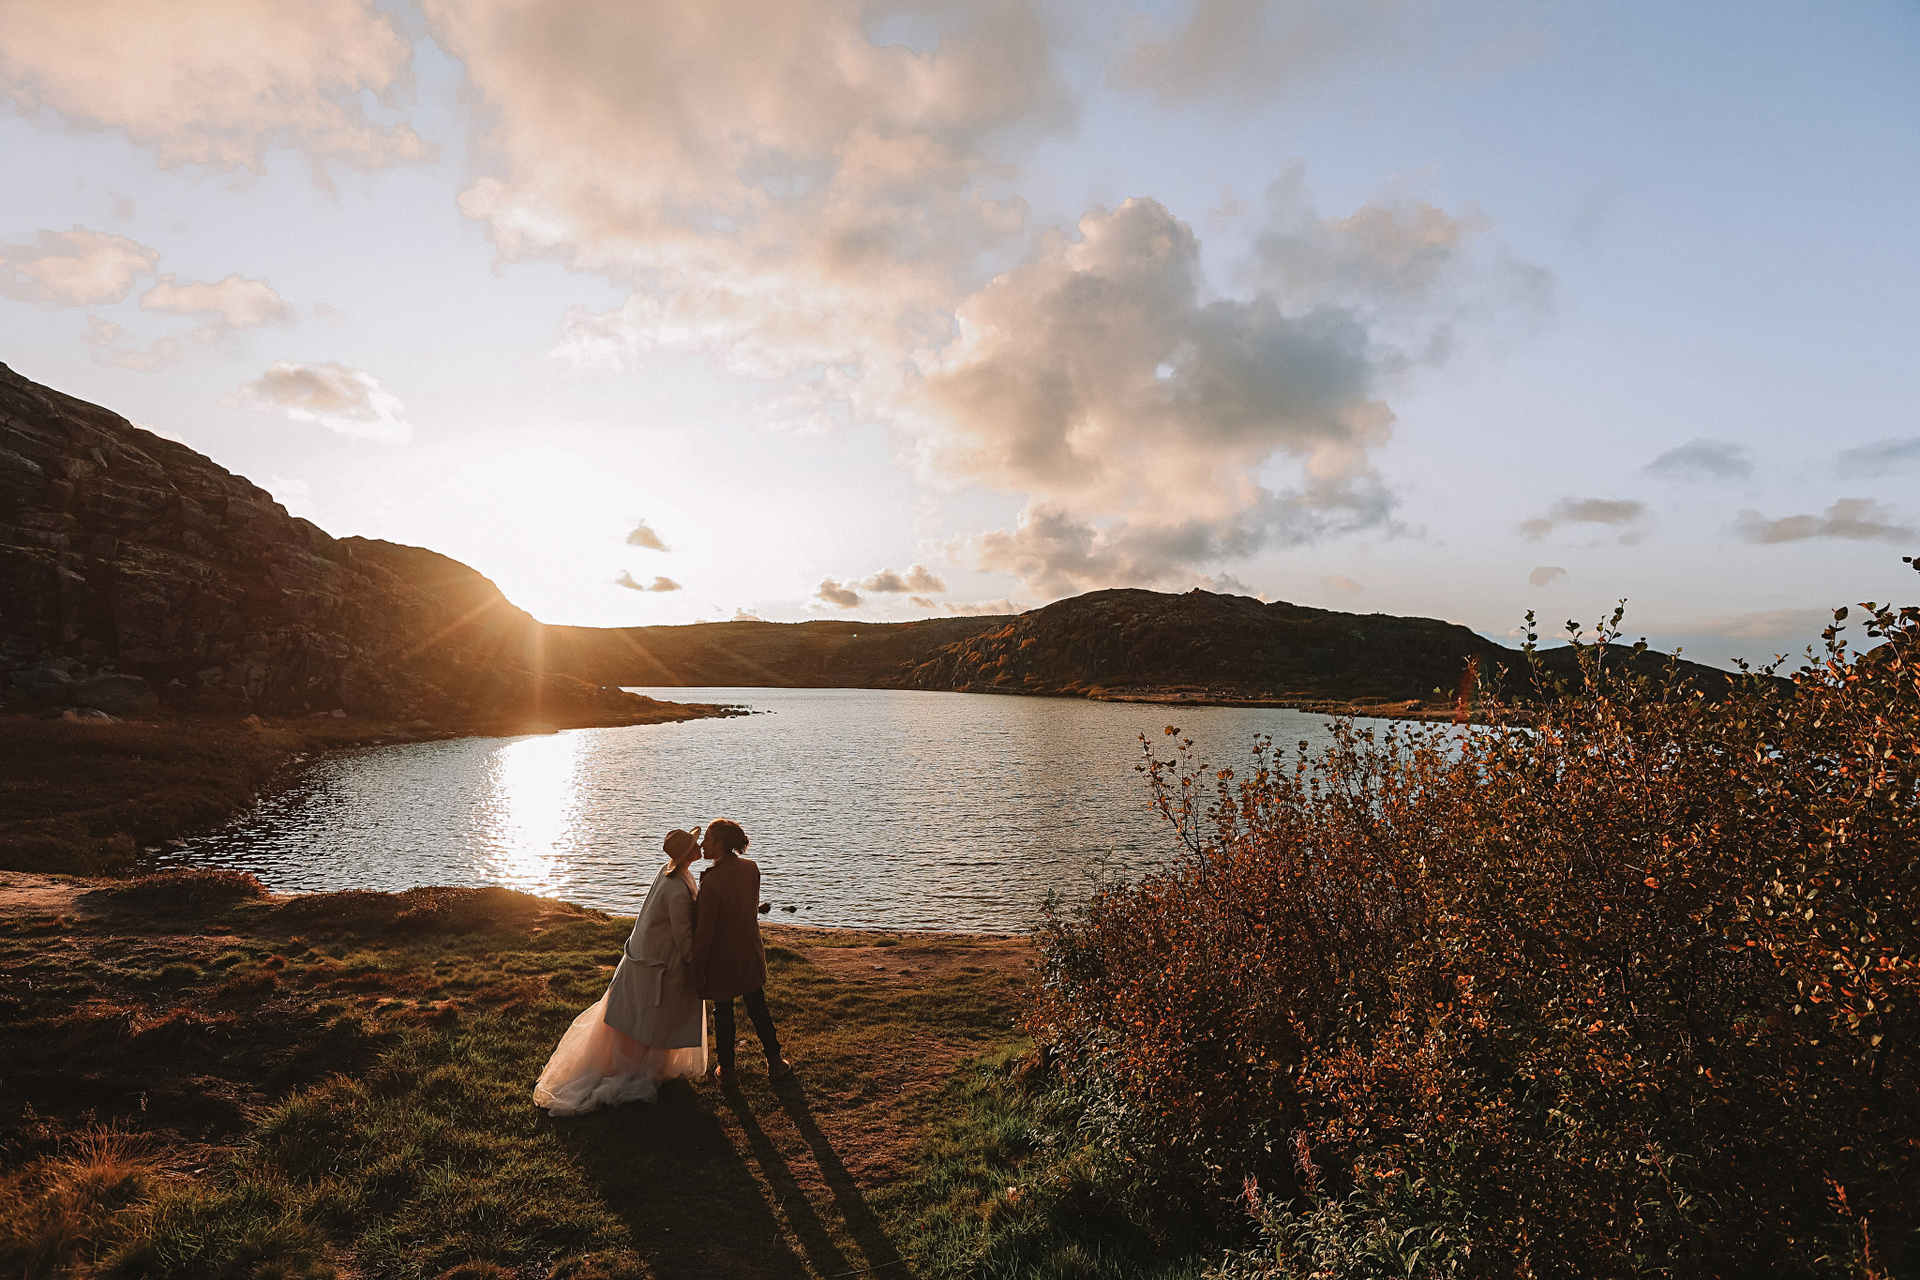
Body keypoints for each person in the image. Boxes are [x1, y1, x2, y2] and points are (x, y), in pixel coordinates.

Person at [533, 828, 708, 1115]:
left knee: (647, 1018)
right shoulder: (676, 888)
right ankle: (637, 1071)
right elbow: (683, 935)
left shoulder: (674, 874)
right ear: (687, 853)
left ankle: (651, 1067)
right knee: (651, 1019)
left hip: (651, 958)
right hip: (659, 962)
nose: (699, 845)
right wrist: (696, 964)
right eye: (694, 844)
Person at [693, 818, 792, 1084]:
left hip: (722, 958)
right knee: (758, 1006)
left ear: (720, 844)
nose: (702, 845)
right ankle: (775, 1061)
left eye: (707, 840)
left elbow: (705, 931)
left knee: (724, 1013)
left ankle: (727, 1071)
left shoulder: (711, 883)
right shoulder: (750, 868)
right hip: (748, 950)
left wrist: (697, 966)